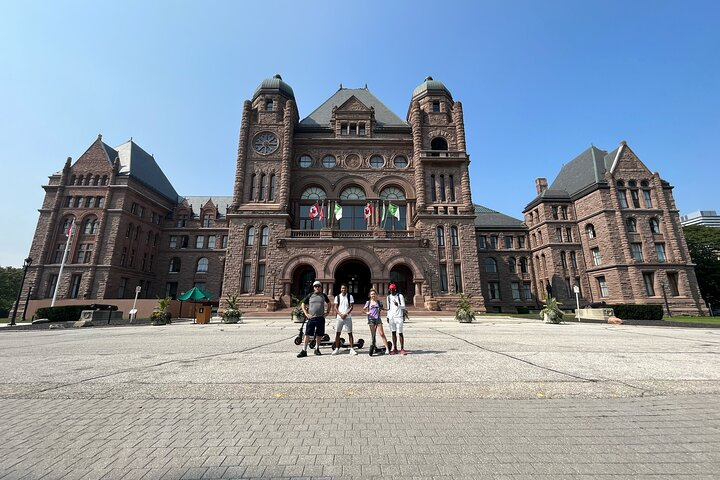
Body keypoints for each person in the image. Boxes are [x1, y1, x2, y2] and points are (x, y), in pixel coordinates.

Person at [297, 280, 331, 358]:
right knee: (307, 334)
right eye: (315, 286)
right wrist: (306, 313)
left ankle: (317, 348)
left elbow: (329, 303)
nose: (317, 288)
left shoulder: (323, 295)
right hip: (311, 318)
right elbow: (303, 304)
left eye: (319, 286)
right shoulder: (310, 295)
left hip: (320, 318)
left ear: (321, 287)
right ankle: (304, 350)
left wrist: (327, 312)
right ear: (313, 287)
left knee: (319, 335)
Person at [363, 288, 390, 356]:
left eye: (374, 294)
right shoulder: (368, 302)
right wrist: (367, 312)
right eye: (372, 294)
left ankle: (387, 348)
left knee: (381, 333)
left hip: (378, 319)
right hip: (371, 319)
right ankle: (373, 346)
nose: (373, 295)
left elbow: (382, 308)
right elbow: (363, 310)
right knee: (373, 335)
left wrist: (388, 309)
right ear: (370, 295)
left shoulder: (378, 302)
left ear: (376, 295)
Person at [332, 283, 357, 355]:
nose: (344, 289)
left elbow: (351, 307)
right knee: (337, 333)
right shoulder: (337, 297)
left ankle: (352, 349)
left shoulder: (350, 296)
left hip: (347, 317)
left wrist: (346, 314)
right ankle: (337, 348)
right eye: (342, 288)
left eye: (345, 288)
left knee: (350, 333)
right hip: (339, 317)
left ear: (347, 289)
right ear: (340, 289)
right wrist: (340, 314)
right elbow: (335, 307)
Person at [386, 283, 406, 355]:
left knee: (400, 333)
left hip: (399, 317)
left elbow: (403, 307)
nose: (391, 291)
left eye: (392, 289)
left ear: (395, 289)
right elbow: (388, 308)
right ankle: (395, 348)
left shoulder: (400, 296)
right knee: (393, 332)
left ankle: (402, 348)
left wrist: (398, 305)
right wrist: (387, 316)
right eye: (390, 290)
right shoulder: (388, 297)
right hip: (391, 317)